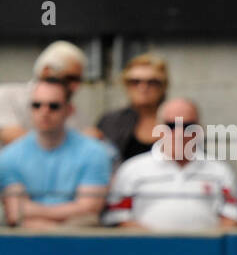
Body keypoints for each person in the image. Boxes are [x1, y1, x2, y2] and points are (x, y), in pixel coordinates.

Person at [103, 97, 237, 231]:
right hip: (146, 251)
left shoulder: (220, 171)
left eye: (188, 126)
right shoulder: (132, 169)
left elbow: (232, 216)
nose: (180, 133)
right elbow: (119, 217)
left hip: (205, 252)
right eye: (171, 126)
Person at [0, 78, 110, 229]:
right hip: (29, 239)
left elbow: (89, 209)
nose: (44, 112)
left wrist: (33, 213)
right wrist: (61, 228)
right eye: (36, 105)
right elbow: (15, 213)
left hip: (80, 239)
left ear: (69, 110)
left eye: (54, 106)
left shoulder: (95, 152)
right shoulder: (9, 156)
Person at [0, 41, 100, 145]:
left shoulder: (73, 111)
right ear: (46, 71)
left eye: (53, 106)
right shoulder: (6, 96)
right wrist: (75, 143)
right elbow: (13, 138)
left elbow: (92, 138)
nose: (75, 86)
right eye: (70, 78)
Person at [96, 53, 170, 169]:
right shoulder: (111, 121)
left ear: (164, 86)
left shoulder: (178, 118)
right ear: (126, 85)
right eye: (135, 82)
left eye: (152, 82)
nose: (143, 88)